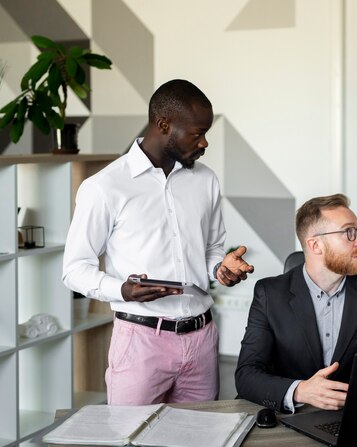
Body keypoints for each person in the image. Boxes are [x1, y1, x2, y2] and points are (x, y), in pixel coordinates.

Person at [62, 79, 254, 405]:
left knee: (201, 438)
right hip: (140, 341)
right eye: (197, 133)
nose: (205, 142)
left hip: (202, 340)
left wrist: (220, 268)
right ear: (164, 125)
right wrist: (122, 290)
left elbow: (210, 250)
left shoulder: (205, 180)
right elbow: (74, 269)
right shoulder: (105, 187)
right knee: (130, 438)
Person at [235, 194, 357, 413]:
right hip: (291, 416)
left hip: (351, 413)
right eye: (349, 232)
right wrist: (300, 390)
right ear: (316, 245)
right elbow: (247, 375)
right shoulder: (269, 294)